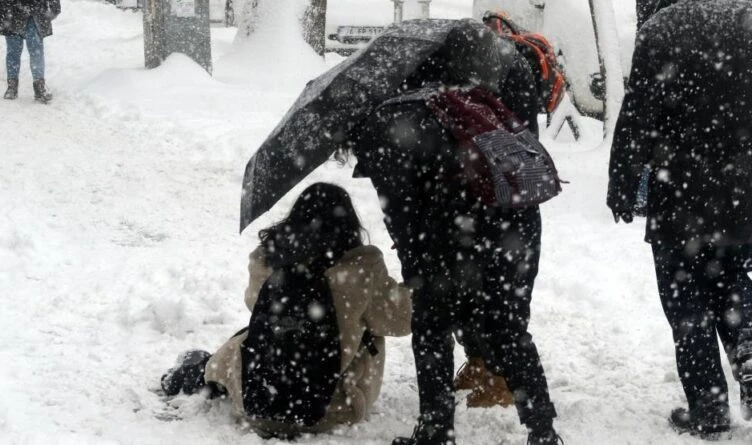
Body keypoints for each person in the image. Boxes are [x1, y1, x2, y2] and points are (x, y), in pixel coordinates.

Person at [348, 20, 561, 445]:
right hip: (513, 225)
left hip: (450, 231)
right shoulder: (479, 104)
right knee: (508, 328)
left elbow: (401, 208)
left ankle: (435, 429)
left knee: (431, 327)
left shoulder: (392, 116)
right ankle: (542, 430)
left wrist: (417, 266)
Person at [161, 183, 413, 439]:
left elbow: (253, 302)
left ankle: (203, 373)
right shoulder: (362, 272)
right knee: (371, 325)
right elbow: (403, 321)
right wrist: (412, 277)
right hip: (330, 409)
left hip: (258, 401)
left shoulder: (269, 259)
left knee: (254, 335)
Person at [608, 0, 752, 439]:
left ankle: (708, 410)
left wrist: (622, 184)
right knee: (732, 279)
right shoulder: (746, 19)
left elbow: (636, 117)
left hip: (681, 192)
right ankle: (748, 351)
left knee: (686, 299)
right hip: (742, 188)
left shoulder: (662, 28)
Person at [0, 0, 60, 103]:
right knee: (14, 50)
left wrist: (54, 5)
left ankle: (38, 86)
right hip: (11, 9)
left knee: (35, 50)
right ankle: (12, 85)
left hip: (33, 10)